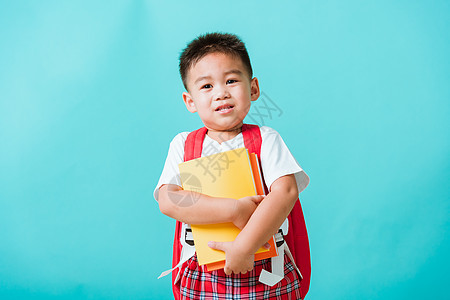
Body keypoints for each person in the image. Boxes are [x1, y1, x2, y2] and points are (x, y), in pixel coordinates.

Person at [154, 32, 310, 299]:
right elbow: (168, 201)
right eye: (206, 86)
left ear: (253, 89)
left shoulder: (266, 139)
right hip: (203, 271)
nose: (221, 93)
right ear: (190, 101)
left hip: (265, 270)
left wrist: (244, 247)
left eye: (231, 80)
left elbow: (285, 193)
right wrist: (233, 209)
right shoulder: (183, 144)